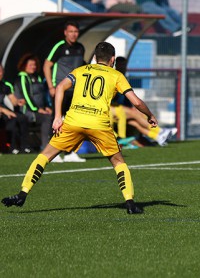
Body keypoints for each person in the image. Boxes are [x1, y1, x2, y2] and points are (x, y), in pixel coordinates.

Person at [1, 42, 159, 214]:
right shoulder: (116, 75)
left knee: (44, 156)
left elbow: (60, 87)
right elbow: (135, 101)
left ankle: (22, 193)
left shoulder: (80, 71)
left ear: (95, 58)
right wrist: (149, 115)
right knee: (119, 162)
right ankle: (130, 203)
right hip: (99, 124)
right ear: (112, 59)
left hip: (73, 120)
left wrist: (57, 117)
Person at [43, 20, 86, 162]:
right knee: (56, 119)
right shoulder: (59, 47)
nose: (73, 34)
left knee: (72, 121)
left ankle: (69, 153)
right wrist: (51, 86)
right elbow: (46, 66)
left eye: (76, 32)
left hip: (76, 90)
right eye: (71, 31)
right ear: (65, 33)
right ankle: (52, 153)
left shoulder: (80, 48)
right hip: (60, 89)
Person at [111, 57, 177, 147]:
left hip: (120, 109)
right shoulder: (114, 77)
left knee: (134, 121)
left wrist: (131, 106)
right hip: (114, 109)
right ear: (115, 65)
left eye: (124, 65)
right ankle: (160, 131)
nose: (123, 67)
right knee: (135, 114)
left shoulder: (123, 77)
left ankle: (158, 136)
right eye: (120, 64)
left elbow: (127, 98)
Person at [14, 54, 53, 150]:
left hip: (39, 109)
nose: (33, 67)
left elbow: (42, 95)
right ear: (24, 65)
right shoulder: (22, 78)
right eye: (31, 65)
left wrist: (46, 107)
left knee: (54, 116)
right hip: (28, 111)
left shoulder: (37, 77)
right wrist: (37, 109)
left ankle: (55, 146)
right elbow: (26, 96)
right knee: (47, 118)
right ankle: (45, 147)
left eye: (34, 65)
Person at [0, 65, 31, 154]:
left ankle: (24, 146)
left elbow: (12, 100)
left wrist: (18, 102)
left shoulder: (6, 85)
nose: (0, 73)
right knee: (11, 119)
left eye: (1, 71)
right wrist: (4, 111)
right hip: (3, 112)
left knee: (23, 118)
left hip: (7, 111)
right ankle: (12, 147)